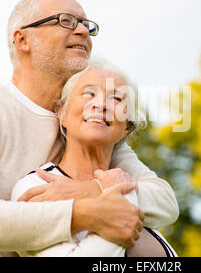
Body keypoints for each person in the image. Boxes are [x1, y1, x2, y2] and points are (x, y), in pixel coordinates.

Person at [0, 0, 179, 256]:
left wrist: (91, 190)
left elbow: (163, 200)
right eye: (66, 21)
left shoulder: (88, 125)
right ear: (22, 39)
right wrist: (82, 213)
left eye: (86, 24)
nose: (83, 30)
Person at [11, 59, 177, 257]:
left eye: (116, 98)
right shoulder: (37, 185)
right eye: (89, 93)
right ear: (61, 112)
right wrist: (119, 199)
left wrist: (105, 190)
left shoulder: (127, 183)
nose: (101, 104)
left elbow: (168, 204)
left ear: (127, 127)